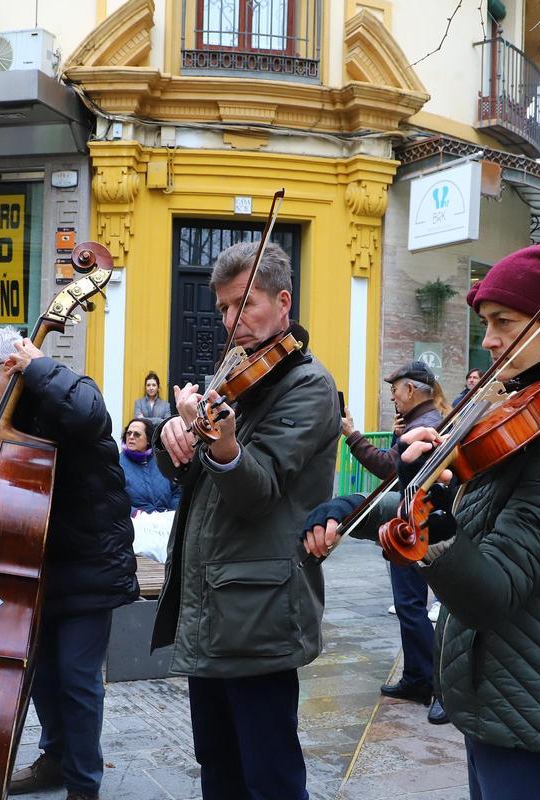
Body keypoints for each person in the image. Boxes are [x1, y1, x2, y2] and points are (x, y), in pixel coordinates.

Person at [305, 243, 540, 798]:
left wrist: (435, 530)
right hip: (497, 694)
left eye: (504, 323)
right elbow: (459, 517)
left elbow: (492, 587)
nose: (491, 340)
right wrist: (351, 509)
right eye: (485, 323)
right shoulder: (522, 420)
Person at [152, 240, 339, 800]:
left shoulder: (308, 385)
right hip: (212, 599)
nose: (232, 323)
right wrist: (172, 438)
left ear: (284, 303)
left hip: (262, 605)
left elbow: (258, 493)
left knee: (270, 773)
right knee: (218, 763)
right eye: (224, 310)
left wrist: (223, 444)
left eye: (245, 305)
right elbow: (185, 475)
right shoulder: (232, 372)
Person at [0, 327, 137, 800]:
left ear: (12, 366)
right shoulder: (7, 414)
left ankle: (84, 786)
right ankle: (55, 760)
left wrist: (40, 366)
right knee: (40, 673)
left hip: (88, 564)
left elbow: (88, 415)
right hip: (34, 565)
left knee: (79, 683)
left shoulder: (71, 389)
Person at [339, 360, 449, 725]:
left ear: (413, 390)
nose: (392, 396)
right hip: (411, 524)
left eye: (396, 390)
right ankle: (418, 677)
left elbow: (388, 467)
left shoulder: (427, 425)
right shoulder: (420, 422)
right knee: (409, 605)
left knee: (414, 605)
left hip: (418, 526)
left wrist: (352, 434)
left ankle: (435, 684)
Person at [119, 419, 180, 513]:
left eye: (136, 434)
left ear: (148, 440)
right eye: (128, 433)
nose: (131, 437)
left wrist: (171, 513)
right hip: (135, 523)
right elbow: (113, 499)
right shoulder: (118, 463)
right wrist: (135, 513)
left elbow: (177, 490)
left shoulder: (162, 459)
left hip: (166, 522)